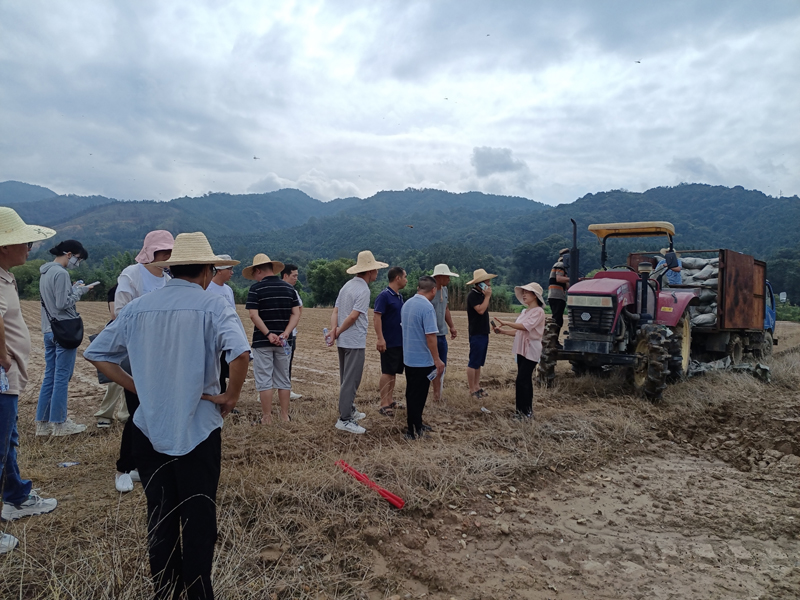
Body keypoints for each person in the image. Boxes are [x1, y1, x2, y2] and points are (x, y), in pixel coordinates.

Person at [84, 232, 250, 600]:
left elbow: (96, 353)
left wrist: (137, 387)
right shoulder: (214, 306)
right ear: (206, 271)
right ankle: (198, 591)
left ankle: (166, 590)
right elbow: (240, 354)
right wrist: (231, 396)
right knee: (199, 516)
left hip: (149, 428)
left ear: (172, 269)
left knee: (160, 514)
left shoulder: (138, 307)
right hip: (199, 428)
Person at [0, 207, 59, 554]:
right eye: (24, 242)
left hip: (7, 377)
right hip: (2, 376)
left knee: (6, 440)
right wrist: (4, 357)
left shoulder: (5, 275)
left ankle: (16, 497)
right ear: (4, 246)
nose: (29, 247)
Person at [113, 230, 174, 493]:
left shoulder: (169, 280)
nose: (168, 256)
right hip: (136, 353)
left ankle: (142, 463)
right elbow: (120, 312)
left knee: (157, 411)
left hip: (162, 354)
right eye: (164, 251)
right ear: (150, 252)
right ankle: (123, 468)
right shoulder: (132, 274)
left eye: (171, 251)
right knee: (138, 410)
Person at [36, 239, 92, 437]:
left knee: (50, 376)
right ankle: (60, 423)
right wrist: (79, 291)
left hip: (48, 329)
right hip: (63, 330)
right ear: (69, 254)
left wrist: (72, 289)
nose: (78, 263)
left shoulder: (45, 272)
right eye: (78, 258)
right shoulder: (61, 273)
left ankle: (42, 424)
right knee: (61, 377)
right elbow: (62, 304)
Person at [328, 250, 388, 435]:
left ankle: (349, 408)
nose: (377, 273)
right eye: (375, 269)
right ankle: (345, 419)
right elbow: (354, 316)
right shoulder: (363, 290)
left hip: (343, 341)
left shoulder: (347, 286)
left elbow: (336, 310)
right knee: (352, 380)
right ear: (369, 271)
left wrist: (334, 331)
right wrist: (338, 331)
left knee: (345, 378)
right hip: (354, 341)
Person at [243, 254, 300, 424]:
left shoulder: (255, 289)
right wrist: (286, 333)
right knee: (284, 378)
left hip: (262, 341)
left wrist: (268, 334)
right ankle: (284, 416)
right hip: (284, 342)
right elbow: (296, 313)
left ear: (258, 271)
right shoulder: (289, 289)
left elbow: (253, 315)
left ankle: (266, 417)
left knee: (264, 379)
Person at [493, 282, 546, 419]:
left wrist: (506, 323)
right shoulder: (524, 312)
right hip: (522, 348)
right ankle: (522, 412)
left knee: (522, 379)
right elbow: (519, 332)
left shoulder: (539, 312)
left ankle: (525, 412)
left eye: (527, 292)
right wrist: (503, 331)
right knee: (524, 380)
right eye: (523, 292)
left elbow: (525, 327)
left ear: (535, 295)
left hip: (531, 349)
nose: (524, 295)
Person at [401, 276, 444, 440]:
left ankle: (416, 423)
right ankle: (413, 430)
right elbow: (430, 336)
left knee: (412, 393)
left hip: (409, 358)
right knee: (418, 395)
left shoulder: (407, 304)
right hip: (422, 360)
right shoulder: (427, 307)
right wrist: (437, 359)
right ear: (433, 290)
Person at [373, 266, 407, 416]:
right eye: (405, 277)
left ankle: (390, 400)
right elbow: (377, 317)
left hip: (399, 341)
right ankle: (383, 403)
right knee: (387, 372)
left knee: (393, 372)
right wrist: (380, 338)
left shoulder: (399, 296)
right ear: (397, 278)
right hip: (388, 341)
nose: (406, 280)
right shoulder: (384, 296)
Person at [94, 283, 128, 427]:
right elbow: (115, 315)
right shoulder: (116, 290)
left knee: (133, 376)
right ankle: (105, 414)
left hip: (136, 336)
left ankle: (125, 415)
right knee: (116, 379)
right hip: (120, 335)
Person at [206, 255, 236, 393]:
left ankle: (222, 395)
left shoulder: (228, 290)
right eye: (229, 269)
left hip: (226, 337)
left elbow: (233, 312)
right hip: (212, 337)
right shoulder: (208, 288)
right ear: (219, 270)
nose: (232, 272)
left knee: (224, 370)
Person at [466, 268, 496, 399]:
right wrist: (488, 296)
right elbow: (480, 310)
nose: (489, 284)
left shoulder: (481, 295)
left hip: (483, 331)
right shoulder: (473, 295)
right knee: (473, 361)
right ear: (480, 284)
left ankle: (477, 386)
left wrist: (486, 296)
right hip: (476, 332)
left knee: (478, 362)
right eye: (487, 282)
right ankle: (472, 389)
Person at [430, 263, 459, 402]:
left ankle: (438, 394)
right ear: (439, 277)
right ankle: (435, 394)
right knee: (432, 365)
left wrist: (451, 326)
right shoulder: (429, 291)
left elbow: (446, 308)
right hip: (431, 334)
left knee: (442, 365)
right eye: (447, 276)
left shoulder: (445, 290)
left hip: (442, 334)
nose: (449, 279)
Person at [281, 264, 303, 400]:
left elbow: (300, 308)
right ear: (285, 275)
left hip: (291, 335)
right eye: (294, 276)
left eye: (297, 276)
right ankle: (266, 392)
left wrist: (292, 326)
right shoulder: (278, 290)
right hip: (279, 334)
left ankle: (287, 390)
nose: (296, 278)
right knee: (273, 364)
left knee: (287, 364)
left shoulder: (293, 291)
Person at [548, 248, 570, 343]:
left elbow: (567, 286)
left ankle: (554, 340)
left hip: (559, 296)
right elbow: (559, 279)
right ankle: (553, 341)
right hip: (556, 296)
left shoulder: (563, 268)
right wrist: (573, 278)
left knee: (559, 319)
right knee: (557, 320)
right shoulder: (560, 265)